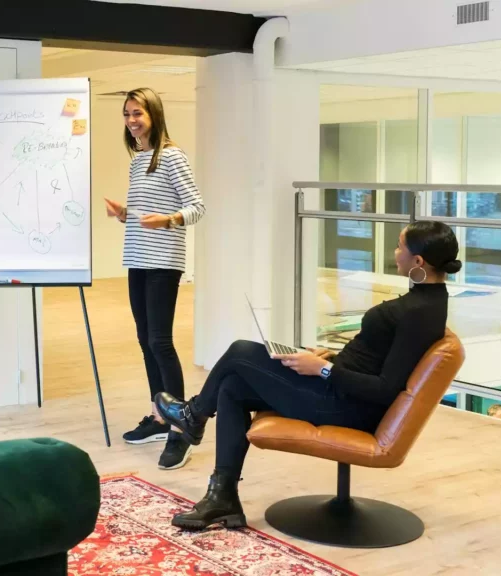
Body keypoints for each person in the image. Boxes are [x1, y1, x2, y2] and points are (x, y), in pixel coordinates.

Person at [154, 221, 460, 530]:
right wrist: (328, 359)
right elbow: (378, 360)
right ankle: (223, 497)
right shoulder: (427, 303)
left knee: (241, 351)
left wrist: (324, 370)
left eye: (399, 246)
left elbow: (384, 388)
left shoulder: (419, 312)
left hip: (346, 406)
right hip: (339, 389)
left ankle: (193, 416)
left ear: (418, 262)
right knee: (232, 386)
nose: (395, 253)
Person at [104, 87, 205, 470]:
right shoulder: (139, 160)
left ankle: (182, 427)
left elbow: (197, 206)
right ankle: (161, 416)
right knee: (145, 340)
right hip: (138, 258)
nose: (131, 121)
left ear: (154, 116)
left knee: (160, 341)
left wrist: (169, 219)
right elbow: (148, 212)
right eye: (127, 114)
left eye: (138, 114)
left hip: (164, 260)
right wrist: (126, 214)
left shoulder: (172, 156)